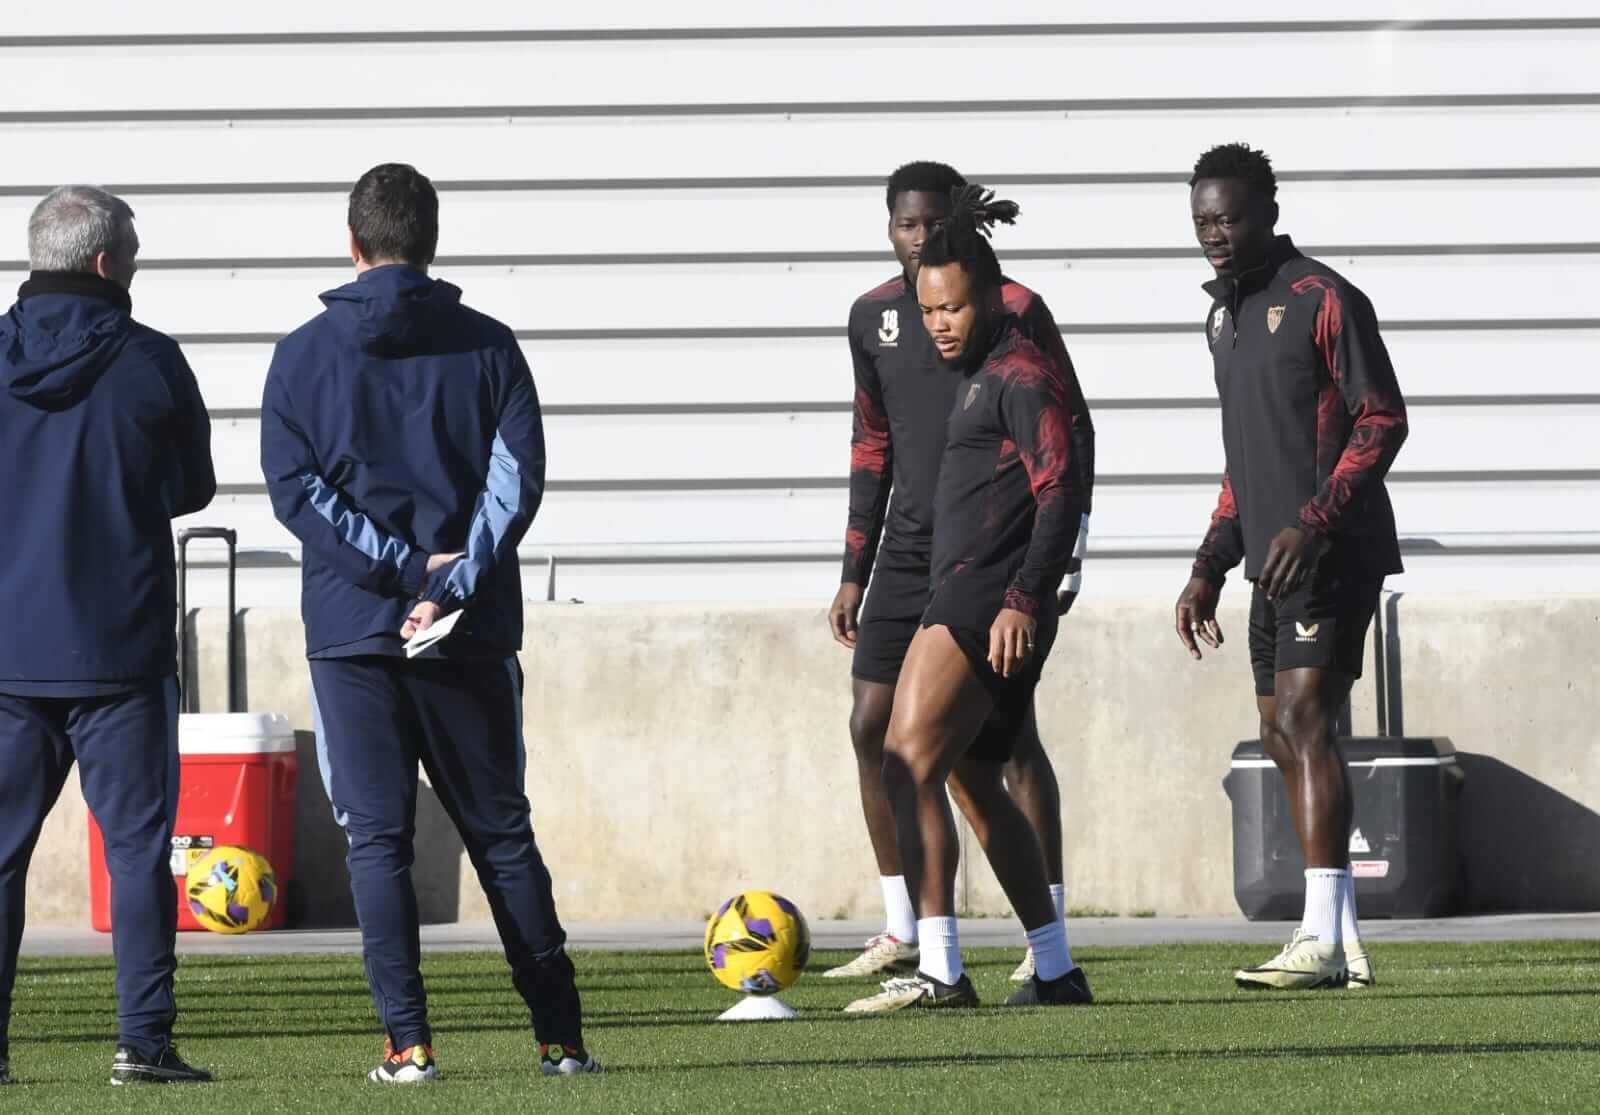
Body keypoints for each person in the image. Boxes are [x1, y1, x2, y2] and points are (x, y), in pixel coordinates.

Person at [260, 163, 598, 1082]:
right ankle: (561, 1041)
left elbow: (300, 496)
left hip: (352, 633)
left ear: (353, 243)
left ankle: (408, 1045)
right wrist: (449, 580)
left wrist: (404, 572)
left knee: (377, 840)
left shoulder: (300, 356)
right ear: (432, 240)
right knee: (501, 832)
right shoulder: (491, 345)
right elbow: (515, 478)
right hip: (470, 628)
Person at [826, 162, 1094, 985]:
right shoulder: (959, 362)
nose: (938, 322)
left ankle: (939, 968)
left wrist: (1030, 592)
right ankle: (1053, 965)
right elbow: (876, 443)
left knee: (914, 757)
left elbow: (1065, 475)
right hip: (943, 570)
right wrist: (856, 566)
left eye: (952, 307)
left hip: (988, 587)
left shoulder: (1017, 366)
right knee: (971, 773)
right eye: (930, 309)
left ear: (986, 289)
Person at [1174, 143, 1408, 990]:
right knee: (1278, 732)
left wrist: (1314, 524)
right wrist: (1209, 564)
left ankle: (1316, 935)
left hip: (1332, 549)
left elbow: (1380, 419)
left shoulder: (1324, 299)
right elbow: (1245, 460)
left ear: (1268, 210)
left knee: (1308, 721)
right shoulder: (1221, 317)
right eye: (1202, 219)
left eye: (1229, 217)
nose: (1215, 234)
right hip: (1268, 564)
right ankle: (1340, 943)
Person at [0, 186, 215, 1085]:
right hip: (120, 647)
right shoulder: (150, 362)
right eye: (131, 248)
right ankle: (143, 1040)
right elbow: (191, 486)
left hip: (9, 647)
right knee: (134, 853)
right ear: (102, 262)